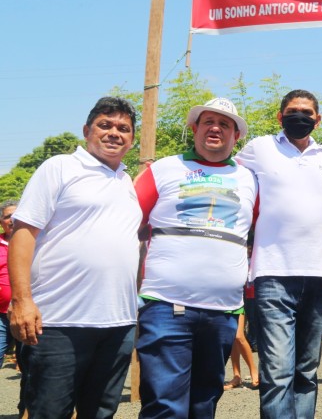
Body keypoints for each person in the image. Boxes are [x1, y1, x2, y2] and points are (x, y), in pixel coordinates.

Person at [9, 97, 141, 418]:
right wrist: (22, 300)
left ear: (132, 139)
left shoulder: (126, 182)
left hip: (118, 324)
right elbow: (23, 233)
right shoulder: (60, 167)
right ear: (86, 130)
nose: (114, 133)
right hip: (59, 323)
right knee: (49, 411)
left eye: (123, 128)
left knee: (100, 413)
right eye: (105, 125)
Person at [135, 97, 257, 418]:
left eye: (225, 124)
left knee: (204, 403)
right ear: (195, 128)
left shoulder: (250, 180)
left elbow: (264, 233)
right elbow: (126, 222)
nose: (216, 128)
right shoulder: (162, 169)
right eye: (208, 122)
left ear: (236, 136)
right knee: (165, 405)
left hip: (223, 311)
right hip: (165, 305)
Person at [236, 89, 322, 419]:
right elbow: (224, 171)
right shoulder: (259, 148)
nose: (300, 116)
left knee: (306, 372)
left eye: (307, 112)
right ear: (280, 117)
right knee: (278, 372)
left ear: (317, 120)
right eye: (293, 111)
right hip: (273, 274)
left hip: (319, 275)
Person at [0, 199, 17, 362]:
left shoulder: (39, 242)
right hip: (1, 315)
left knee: (30, 364)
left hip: (29, 313)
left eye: (16, 214)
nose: (12, 219)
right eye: (7, 216)